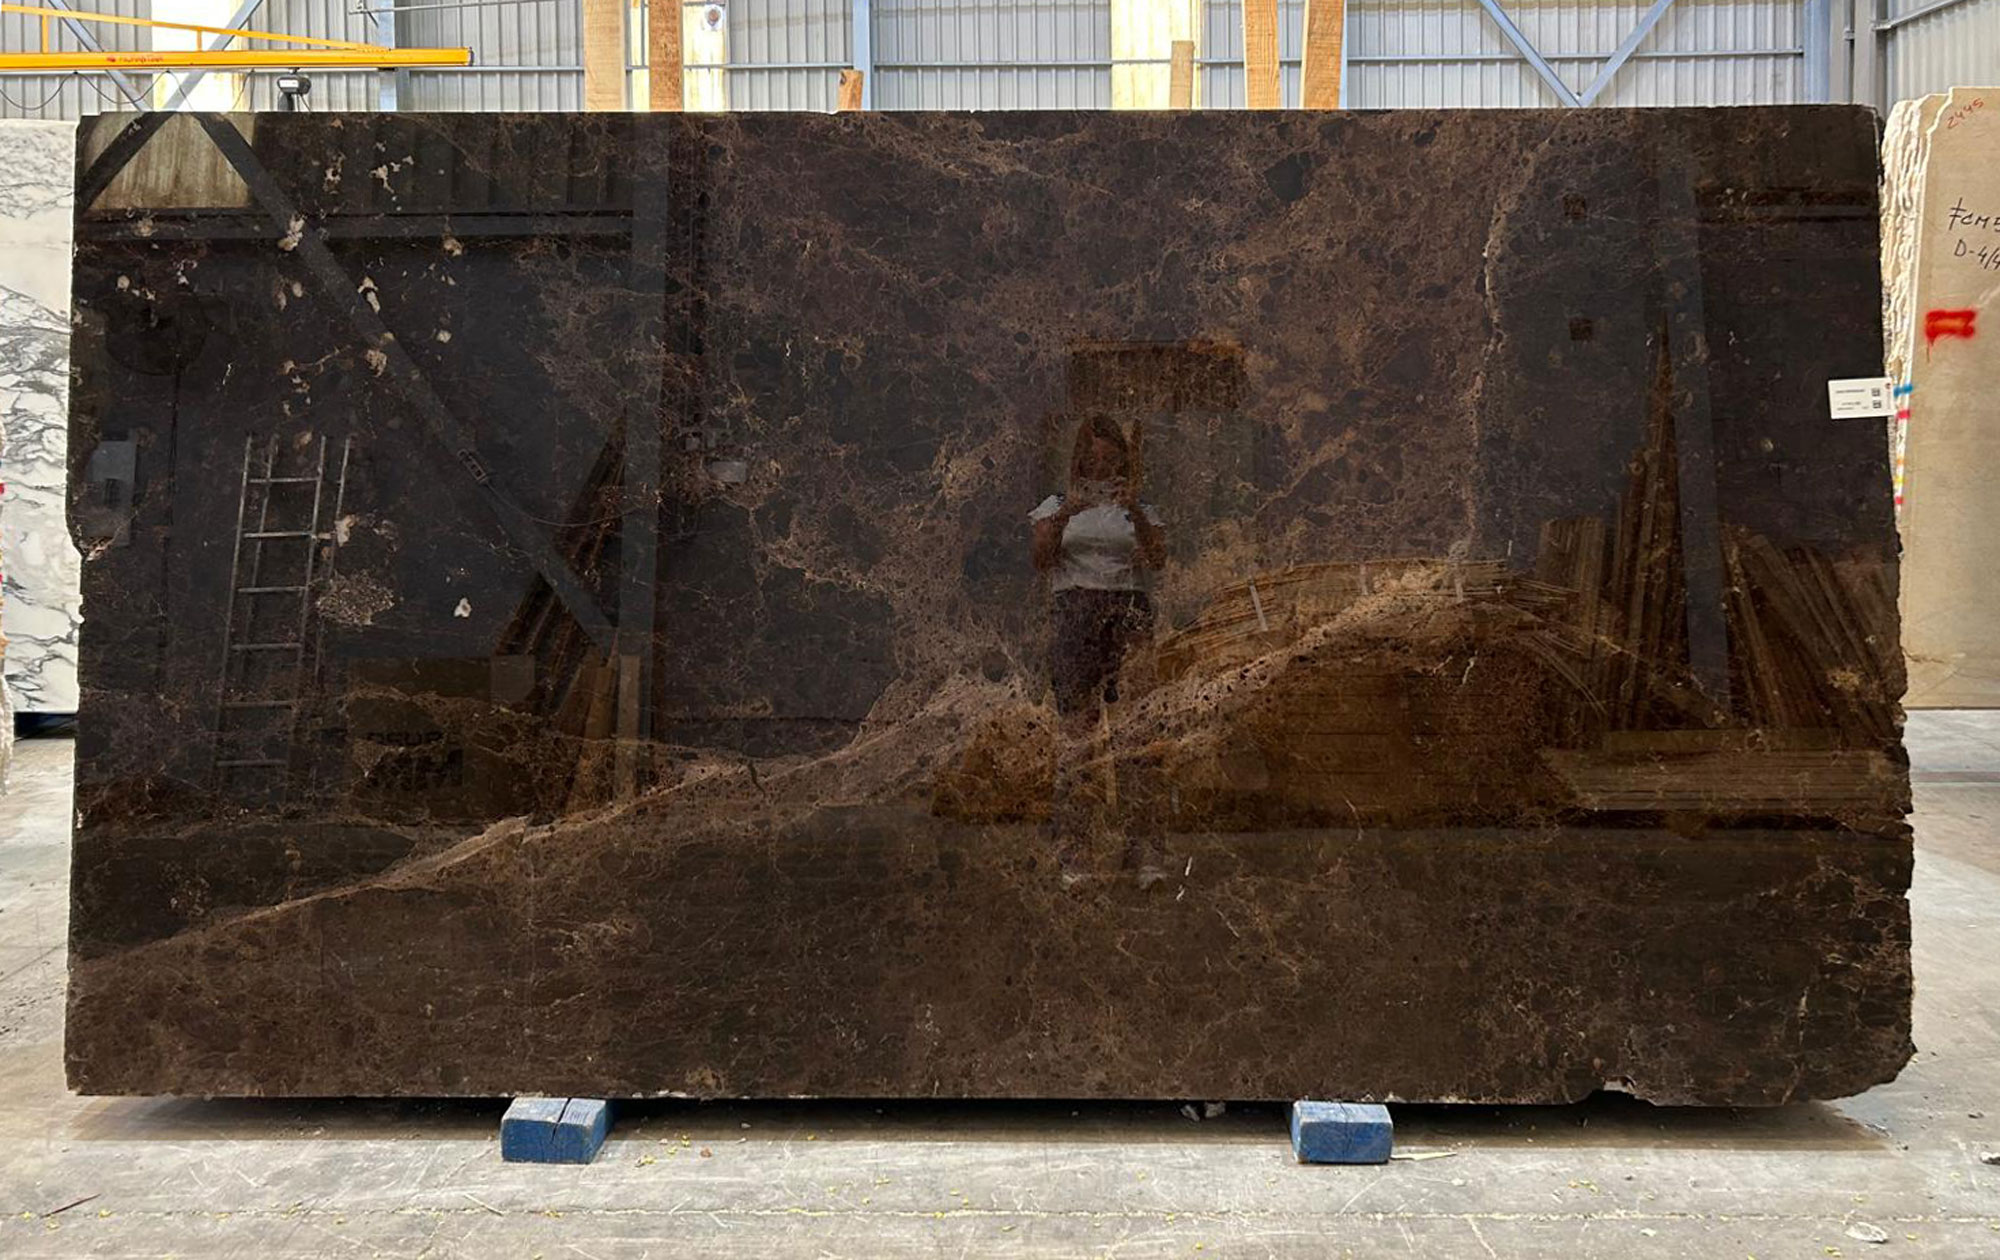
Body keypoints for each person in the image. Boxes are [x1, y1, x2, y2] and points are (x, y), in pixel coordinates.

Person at [1028, 414, 1167, 887]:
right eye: (1093, 456)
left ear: (1122, 460)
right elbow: (1041, 560)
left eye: (1110, 457)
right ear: (1080, 459)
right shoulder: (1055, 504)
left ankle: (1144, 848)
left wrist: (1137, 512)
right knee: (1078, 741)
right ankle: (1075, 850)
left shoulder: (1138, 506)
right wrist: (1067, 511)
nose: (1101, 465)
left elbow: (1158, 558)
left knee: (1138, 736)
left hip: (1129, 614)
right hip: (1076, 614)